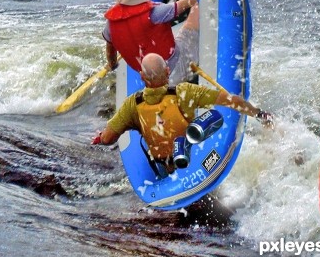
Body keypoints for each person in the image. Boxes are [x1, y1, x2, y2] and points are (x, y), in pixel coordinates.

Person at [92, 53, 274, 171]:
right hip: (194, 164)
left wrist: (100, 138)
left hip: (164, 166)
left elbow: (108, 138)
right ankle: (183, 147)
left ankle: (177, 154)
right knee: (214, 116)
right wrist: (259, 114)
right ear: (168, 71)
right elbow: (231, 101)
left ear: (142, 77)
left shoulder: (132, 105)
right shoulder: (184, 91)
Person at [103, 0, 203, 86]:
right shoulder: (155, 12)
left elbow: (110, 51)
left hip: (147, 77)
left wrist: (113, 65)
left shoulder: (110, 23)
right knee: (190, 25)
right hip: (173, 70)